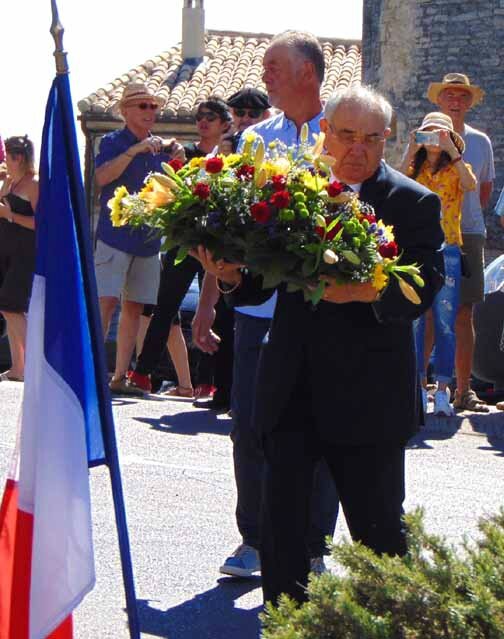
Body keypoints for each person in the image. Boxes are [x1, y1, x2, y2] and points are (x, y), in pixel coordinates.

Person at [194, 84, 445, 605]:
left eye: (371, 138)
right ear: (325, 134)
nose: (358, 148)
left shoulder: (414, 202)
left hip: (369, 398)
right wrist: (229, 273)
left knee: (380, 543)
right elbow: (258, 283)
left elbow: (422, 286)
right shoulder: (288, 194)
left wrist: (365, 292)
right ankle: (285, 623)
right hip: (293, 387)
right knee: (282, 537)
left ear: (387, 139)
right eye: (347, 135)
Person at [192, 30, 339, 580]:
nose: (265, 75)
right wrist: (211, 299)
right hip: (257, 312)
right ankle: (254, 539)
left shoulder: (344, 134)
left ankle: (313, 547)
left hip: (325, 310)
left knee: (321, 427)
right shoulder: (255, 141)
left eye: (274, 66)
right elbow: (230, 238)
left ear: (308, 71)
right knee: (249, 426)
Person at [126, 98, 234, 408]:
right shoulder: (184, 154)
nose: (203, 122)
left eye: (210, 117)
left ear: (224, 123)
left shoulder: (229, 157)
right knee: (165, 305)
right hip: (183, 241)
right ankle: (143, 373)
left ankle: (206, 381)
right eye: (200, 116)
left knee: (216, 310)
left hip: (213, 242)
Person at [94, 82, 183, 394]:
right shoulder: (113, 141)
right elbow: (101, 178)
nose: (150, 111)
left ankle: (120, 376)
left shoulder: (162, 146)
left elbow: (174, 191)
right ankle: (91, 371)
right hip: (114, 236)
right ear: (125, 111)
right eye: (143, 106)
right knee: (105, 303)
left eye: (153, 106)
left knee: (134, 307)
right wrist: (133, 151)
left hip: (148, 241)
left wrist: (180, 162)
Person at [399, 112, 476, 416]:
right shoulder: (413, 169)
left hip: (448, 251)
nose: (433, 138)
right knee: (416, 320)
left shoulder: (457, 169)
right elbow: (395, 184)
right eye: (428, 133)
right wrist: (410, 146)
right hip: (417, 250)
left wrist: (452, 151)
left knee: (445, 322)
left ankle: (443, 390)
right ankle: (418, 388)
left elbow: (470, 185)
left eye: (439, 133)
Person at [427, 73, 495, 412]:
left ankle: (463, 389)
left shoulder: (481, 142)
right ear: (440, 101)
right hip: (428, 231)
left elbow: (483, 193)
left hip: (467, 231)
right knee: (424, 309)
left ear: (469, 103)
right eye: (450, 95)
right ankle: (418, 385)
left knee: (464, 312)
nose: (456, 101)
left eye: (462, 96)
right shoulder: (424, 140)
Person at [0, 135, 39, 381]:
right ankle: (19, 367)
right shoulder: (10, 182)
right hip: (6, 250)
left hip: (25, 252)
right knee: (7, 308)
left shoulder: (33, 183)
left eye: (8, 156)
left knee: (11, 306)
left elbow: (40, 223)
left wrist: (10, 215)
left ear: (19, 157)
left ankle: (35, 365)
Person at [222, 88, 271, 153]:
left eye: (253, 114)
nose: (245, 119)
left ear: (265, 115)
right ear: (232, 113)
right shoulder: (226, 141)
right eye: (239, 112)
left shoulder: (272, 143)